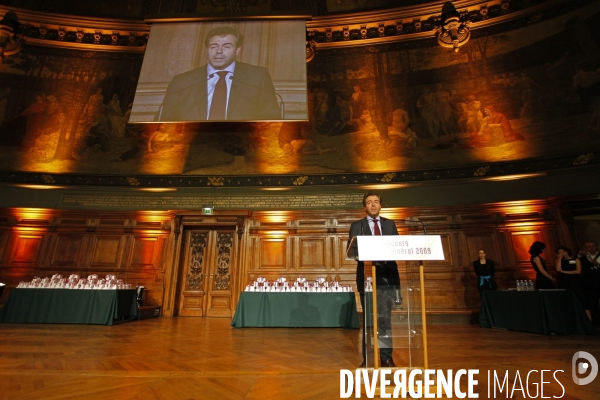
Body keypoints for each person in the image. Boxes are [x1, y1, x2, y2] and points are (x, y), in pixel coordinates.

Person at [156, 26, 280, 122]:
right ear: (207, 49)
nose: (219, 51)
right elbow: (165, 119)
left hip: (242, 144)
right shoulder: (182, 82)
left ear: (237, 50)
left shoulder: (257, 77)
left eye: (226, 47)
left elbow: (270, 116)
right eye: (214, 47)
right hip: (192, 145)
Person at [347, 192, 401, 368]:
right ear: (365, 206)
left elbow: (398, 247)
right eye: (369, 202)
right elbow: (352, 251)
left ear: (380, 205)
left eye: (376, 202)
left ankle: (386, 357)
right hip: (367, 277)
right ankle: (368, 358)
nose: (373, 205)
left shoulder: (390, 224)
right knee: (369, 320)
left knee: (385, 319)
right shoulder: (357, 226)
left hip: (387, 277)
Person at [555, 245, 591, 321]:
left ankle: (589, 321)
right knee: (567, 301)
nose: (562, 253)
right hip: (564, 282)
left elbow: (578, 271)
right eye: (560, 252)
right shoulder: (559, 261)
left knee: (581, 300)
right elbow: (558, 269)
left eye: (563, 251)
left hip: (575, 282)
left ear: (567, 251)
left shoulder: (576, 259)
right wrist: (559, 258)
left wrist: (564, 272)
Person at [578, 240, 600, 324]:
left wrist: (597, 265)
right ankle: (596, 321)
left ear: (596, 247)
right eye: (589, 247)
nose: (591, 248)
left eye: (593, 246)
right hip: (589, 284)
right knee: (592, 303)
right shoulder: (583, 258)